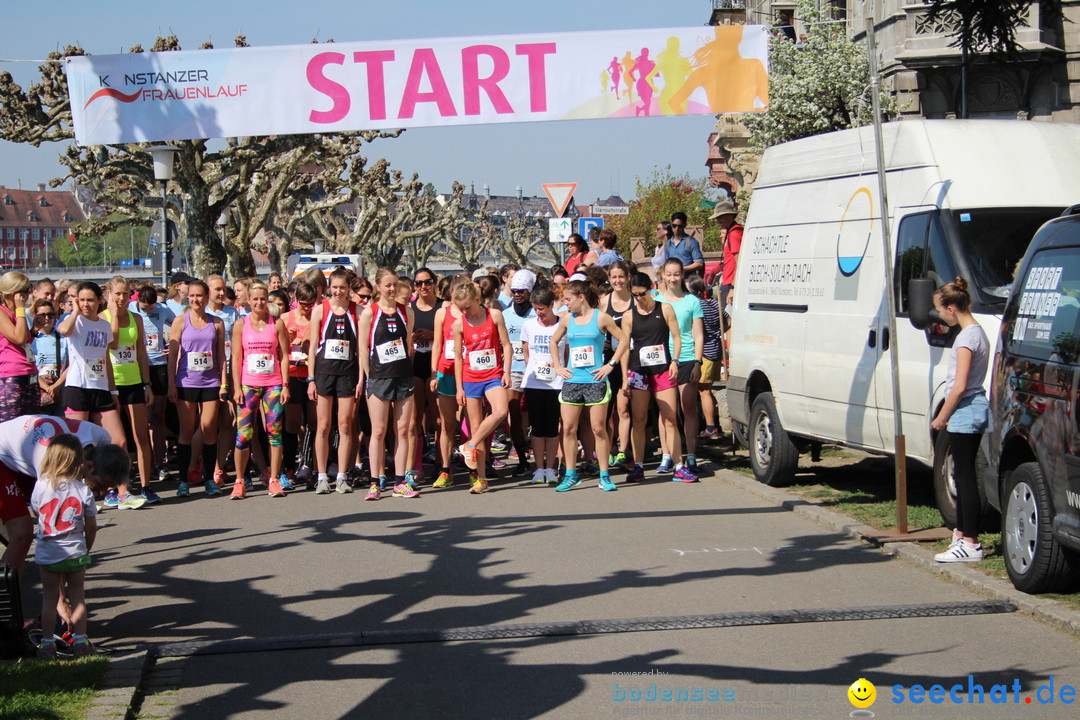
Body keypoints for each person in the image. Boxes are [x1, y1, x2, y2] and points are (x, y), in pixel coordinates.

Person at [0, 415, 128, 580]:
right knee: (22, 534)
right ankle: (7, 598)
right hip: (6, 456)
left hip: (24, 455)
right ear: (88, 466)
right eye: (101, 485)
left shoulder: (100, 436)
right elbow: (50, 529)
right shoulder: (51, 460)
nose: (102, 493)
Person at [549, 279, 628, 492]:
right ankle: (571, 474)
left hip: (595, 380)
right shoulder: (567, 319)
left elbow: (623, 340)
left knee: (598, 428)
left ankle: (604, 475)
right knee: (568, 428)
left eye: (568, 299)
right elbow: (553, 341)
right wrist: (558, 367)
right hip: (573, 381)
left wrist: (611, 365)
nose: (565, 303)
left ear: (580, 297)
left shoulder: (601, 318)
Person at [931, 277, 990, 563]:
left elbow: (960, 385)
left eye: (940, 310)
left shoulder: (967, 338)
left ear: (952, 308)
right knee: (962, 473)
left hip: (966, 409)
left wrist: (941, 417)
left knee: (964, 476)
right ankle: (962, 534)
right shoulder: (977, 332)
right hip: (970, 408)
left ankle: (970, 542)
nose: (939, 316)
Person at [622, 272, 695, 482]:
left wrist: (675, 361)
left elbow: (677, 336)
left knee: (671, 418)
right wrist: (626, 377)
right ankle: (638, 466)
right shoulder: (629, 316)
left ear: (651, 289)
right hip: (639, 373)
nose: (639, 298)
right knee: (639, 420)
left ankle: (679, 465)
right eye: (634, 295)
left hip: (663, 370)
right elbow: (625, 348)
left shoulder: (664, 309)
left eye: (642, 294)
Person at [30, 434, 98, 659]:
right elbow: (91, 525)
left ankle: (47, 643)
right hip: (75, 547)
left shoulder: (40, 486)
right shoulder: (83, 489)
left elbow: (37, 511)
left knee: (49, 598)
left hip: (49, 548)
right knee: (78, 595)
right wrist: (86, 546)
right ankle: (80, 641)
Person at [358, 268, 418, 500]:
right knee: (379, 431)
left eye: (395, 285)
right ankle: (375, 481)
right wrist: (368, 376)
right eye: (387, 285)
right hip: (378, 377)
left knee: (402, 430)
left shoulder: (406, 312)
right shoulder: (369, 313)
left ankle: (400, 481)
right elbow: (363, 349)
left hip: (403, 375)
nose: (392, 289)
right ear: (378, 287)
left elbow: (408, 342)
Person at [230, 282, 291, 499]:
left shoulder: (278, 324)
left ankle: (274, 479)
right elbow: (236, 358)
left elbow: (284, 355)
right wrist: (236, 387)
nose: (259, 303)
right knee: (244, 434)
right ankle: (239, 481)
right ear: (248, 300)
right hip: (248, 384)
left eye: (263, 299)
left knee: (274, 432)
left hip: (273, 384)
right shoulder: (240, 325)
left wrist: (285, 385)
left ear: (268, 300)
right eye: (255, 299)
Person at [167, 279, 227, 497]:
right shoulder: (180, 321)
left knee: (209, 429)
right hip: (186, 382)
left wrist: (223, 384)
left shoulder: (217, 323)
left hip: (211, 383)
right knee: (186, 431)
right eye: (191, 296)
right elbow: (173, 354)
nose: (195, 300)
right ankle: (183, 480)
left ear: (206, 296)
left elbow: (221, 356)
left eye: (199, 295)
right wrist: (171, 384)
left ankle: (210, 479)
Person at [453, 281, 512, 494]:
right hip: (471, 377)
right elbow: (458, 358)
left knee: (500, 411)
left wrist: (506, 371)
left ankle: (470, 444)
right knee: (476, 425)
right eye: (461, 308)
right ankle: (481, 478)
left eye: (467, 307)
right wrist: (459, 387)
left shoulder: (495, 315)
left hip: (493, 374)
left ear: (477, 300)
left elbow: (506, 344)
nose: (464, 311)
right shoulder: (459, 324)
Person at [102, 277, 158, 505]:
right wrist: (114, 314)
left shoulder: (136, 319)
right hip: (112, 384)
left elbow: (141, 353)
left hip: (135, 382)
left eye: (126, 294)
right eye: (117, 294)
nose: (122, 298)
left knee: (141, 436)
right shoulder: (103, 318)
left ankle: (145, 486)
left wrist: (147, 384)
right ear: (109, 295)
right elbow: (113, 345)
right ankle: (114, 489)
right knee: (117, 441)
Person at [307, 268, 361, 495]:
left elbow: (361, 349)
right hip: (324, 373)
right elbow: (312, 348)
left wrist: (361, 380)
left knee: (345, 425)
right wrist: (311, 379)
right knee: (323, 426)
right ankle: (321, 476)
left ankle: (341, 475)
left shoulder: (358, 311)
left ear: (349, 288)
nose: (338, 292)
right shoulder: (320, 310)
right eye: (335, 287)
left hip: (348, 374)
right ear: (329, 287)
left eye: (343, 287)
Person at [657, 258, 705, 473]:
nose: (673, 278)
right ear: (663, 275)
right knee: (666, 411)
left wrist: (698, 361)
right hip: (663, 360)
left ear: (682, 276)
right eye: (669, 274)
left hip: (686, 358)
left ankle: (692, 453)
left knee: (688, 408)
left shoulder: (692, 301)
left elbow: (698, 334)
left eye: (676, 274)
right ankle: (667, 454)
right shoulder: (656, 300)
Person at [129, 283, 175, 480]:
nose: (147, 311)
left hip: (159, 366)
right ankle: (142, 462)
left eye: (151, 308)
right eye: (144, 308)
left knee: (158, 416)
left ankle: (160, 462)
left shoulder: (163, 310)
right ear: (138, 302)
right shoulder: (130, 310)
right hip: (138, 366)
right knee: (141, 418)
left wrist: (172, 345)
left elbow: (179, 324)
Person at [520, 286, 566, 484]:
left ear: (551, 305)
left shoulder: (562, 325)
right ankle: (539, 468)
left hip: (556, 383)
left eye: (542, 309)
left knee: (553, 426)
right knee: (537, 427)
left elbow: (567, 352)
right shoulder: (529, 326)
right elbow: (525, 351)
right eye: (536, 309)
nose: (539, 313)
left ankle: (551, 467)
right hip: (534, 383)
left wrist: (559, 369)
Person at [429, 274, 471, 489]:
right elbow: (436, 345)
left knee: (472, 424)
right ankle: (445, 469)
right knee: (446, 425)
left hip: (470, 373)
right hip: (446, 372)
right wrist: (434, 373)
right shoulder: (441, 313)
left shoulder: (473, 312)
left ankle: (474, 468)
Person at [503, 269, 538, 476]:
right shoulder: (505, 314)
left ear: (530, 291)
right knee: (514, 414)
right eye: (514, 290)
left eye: (522, 291)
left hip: (535, 371)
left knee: (536, 415)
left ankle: (543, 458)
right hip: (513, 370)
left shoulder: (537, 312)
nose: (517, 294)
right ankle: (522, 458)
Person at [409, 268, 442, 486]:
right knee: (414, 419)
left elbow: (450, 334)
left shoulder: (443, 306)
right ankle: (415, 466)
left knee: (438, 419)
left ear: (434, 283)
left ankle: (442, 464)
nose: (423, 287)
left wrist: (433, 335)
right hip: (414, 366)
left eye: (427, 282)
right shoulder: (409, 308)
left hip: (436, 367)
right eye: (419, 283)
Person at [282, 283, 317, 483]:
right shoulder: (286, 318)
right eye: (303, 304)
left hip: (312, 373)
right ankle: (288, 466)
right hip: (292, 373)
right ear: (296, 300)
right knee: (293, 422)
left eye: (311, 304)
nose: (307, 308)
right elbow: (278, 347)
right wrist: (289, 339)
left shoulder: (317, 317)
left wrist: (306, 342)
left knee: (313, 420)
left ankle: (308, 463)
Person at [603, 261, 634, 468]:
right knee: (607, 409)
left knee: (623, 408)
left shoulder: (636, 299)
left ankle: (624, 451)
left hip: (632, 359)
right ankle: (610, 447)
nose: (617, 281)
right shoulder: (604, 301)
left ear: (628, 277)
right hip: (609, 361)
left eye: (621, 276)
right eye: (614, 277)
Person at [0, 271, 39, 422]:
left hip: (30, 372)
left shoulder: (17, 314)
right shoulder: (3, 313)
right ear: (14, 293)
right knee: (11, 424)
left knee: (31, 423)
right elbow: (19, 338)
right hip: (11, 375)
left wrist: (34, 330)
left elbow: (25, 341)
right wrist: (20, 309)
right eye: (26, 291)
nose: (28, 295)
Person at [689, 275, 724, 443]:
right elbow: (727, 320)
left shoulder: (698, 305)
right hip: (716, 350)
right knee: (707, 389)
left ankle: (711, 428)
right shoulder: (715, 303)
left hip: (705, 352)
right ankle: (715, 424)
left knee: (704, 391)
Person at [31, 298, 67, 416]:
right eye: (42, 315)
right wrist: (46, 387)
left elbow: (71, 364)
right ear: (35, 316)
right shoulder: (31, 339)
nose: (46, 318)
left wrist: (56, 386)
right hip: (39, 389)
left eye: (50, 315)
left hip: (60, 388)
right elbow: (29, 366)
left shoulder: (63, 338)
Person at [712, 200, 742, 310]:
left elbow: (739, 262)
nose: (718, 220)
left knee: (728, 320)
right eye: (717, 218)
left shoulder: (734, 233)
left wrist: (733, 288)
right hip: (727, 281)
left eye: (721, 217)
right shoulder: (731, 232)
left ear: (730, 216)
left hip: (731, 283)